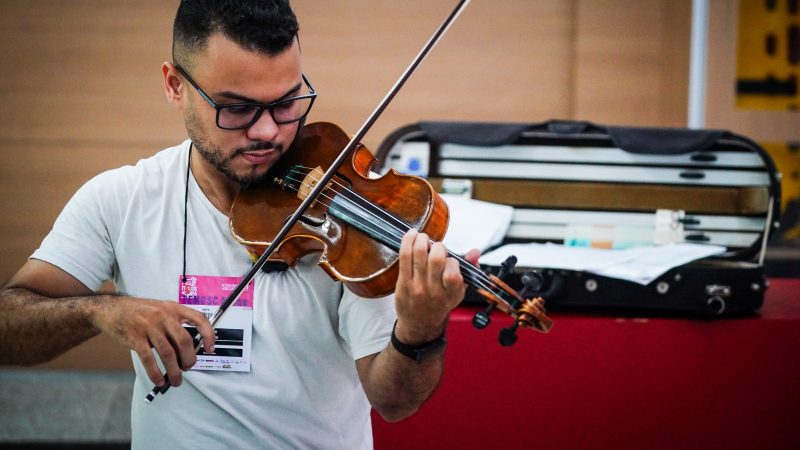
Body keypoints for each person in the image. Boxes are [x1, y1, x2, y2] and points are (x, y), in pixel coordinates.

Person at [0, 1, 477, 448]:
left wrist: (419, 331)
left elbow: (394, 403)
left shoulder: (344, 218)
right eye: (238, 108)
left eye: (288, 102)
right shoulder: (121, 199)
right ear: (175, 85)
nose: (269, 131)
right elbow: (9, 324)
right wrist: (100, 310)